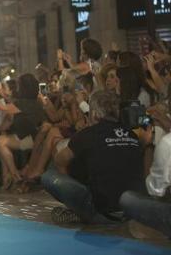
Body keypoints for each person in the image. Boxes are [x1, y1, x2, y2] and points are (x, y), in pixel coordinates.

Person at [41, 90, 145, 224]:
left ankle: (79, 211)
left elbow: (59, 160)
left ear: (94, 113)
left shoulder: (87, 135)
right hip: (132, 211)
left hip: (102, 212)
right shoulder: (132, 134)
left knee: (49, 176)